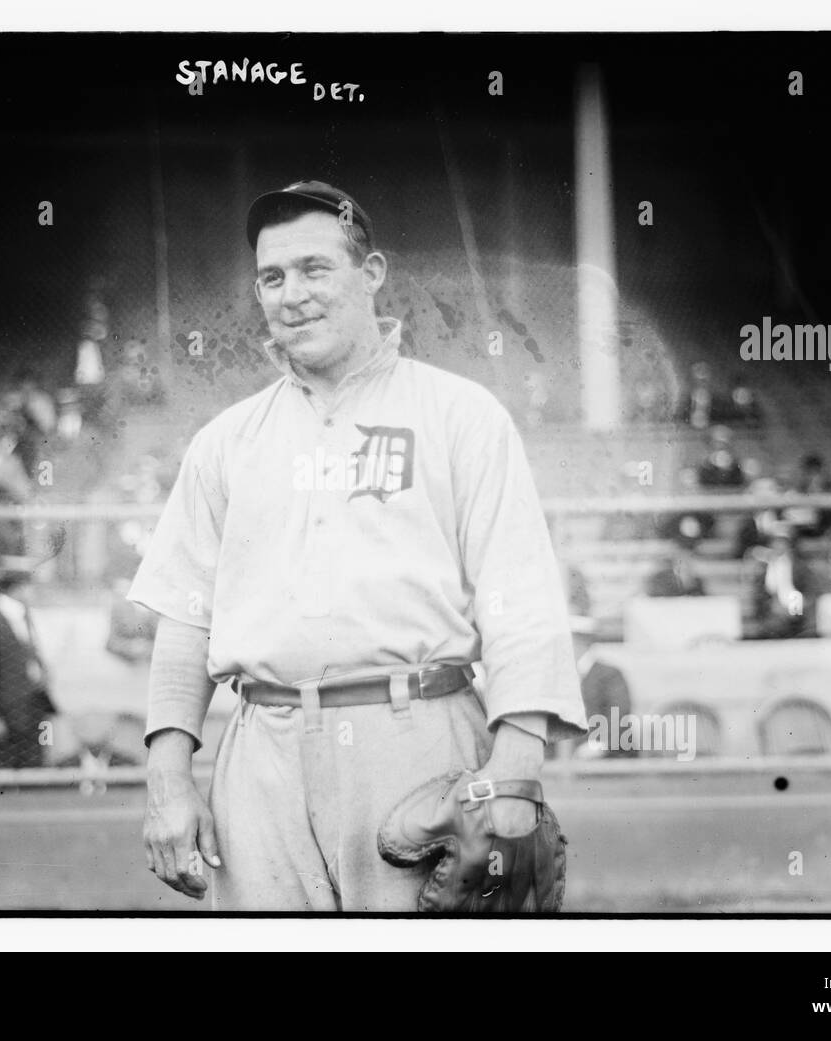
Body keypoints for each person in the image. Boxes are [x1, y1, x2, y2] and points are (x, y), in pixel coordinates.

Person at [130, 180, 587, 911]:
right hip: (261, 755)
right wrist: (168, 779)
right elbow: (186, 620)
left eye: (315, 268)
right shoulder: (224, 443)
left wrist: (516, 772)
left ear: (370, 275)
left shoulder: (460, 415)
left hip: (417, 744)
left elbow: (522, 602)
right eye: (272, 277)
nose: (292, 293)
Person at [0, 555, 56, 769]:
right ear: (16, 587)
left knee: (35, 773)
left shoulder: (24, 616)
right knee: (6, 776)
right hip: (7, 716)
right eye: (28, 585)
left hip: (33, 710)